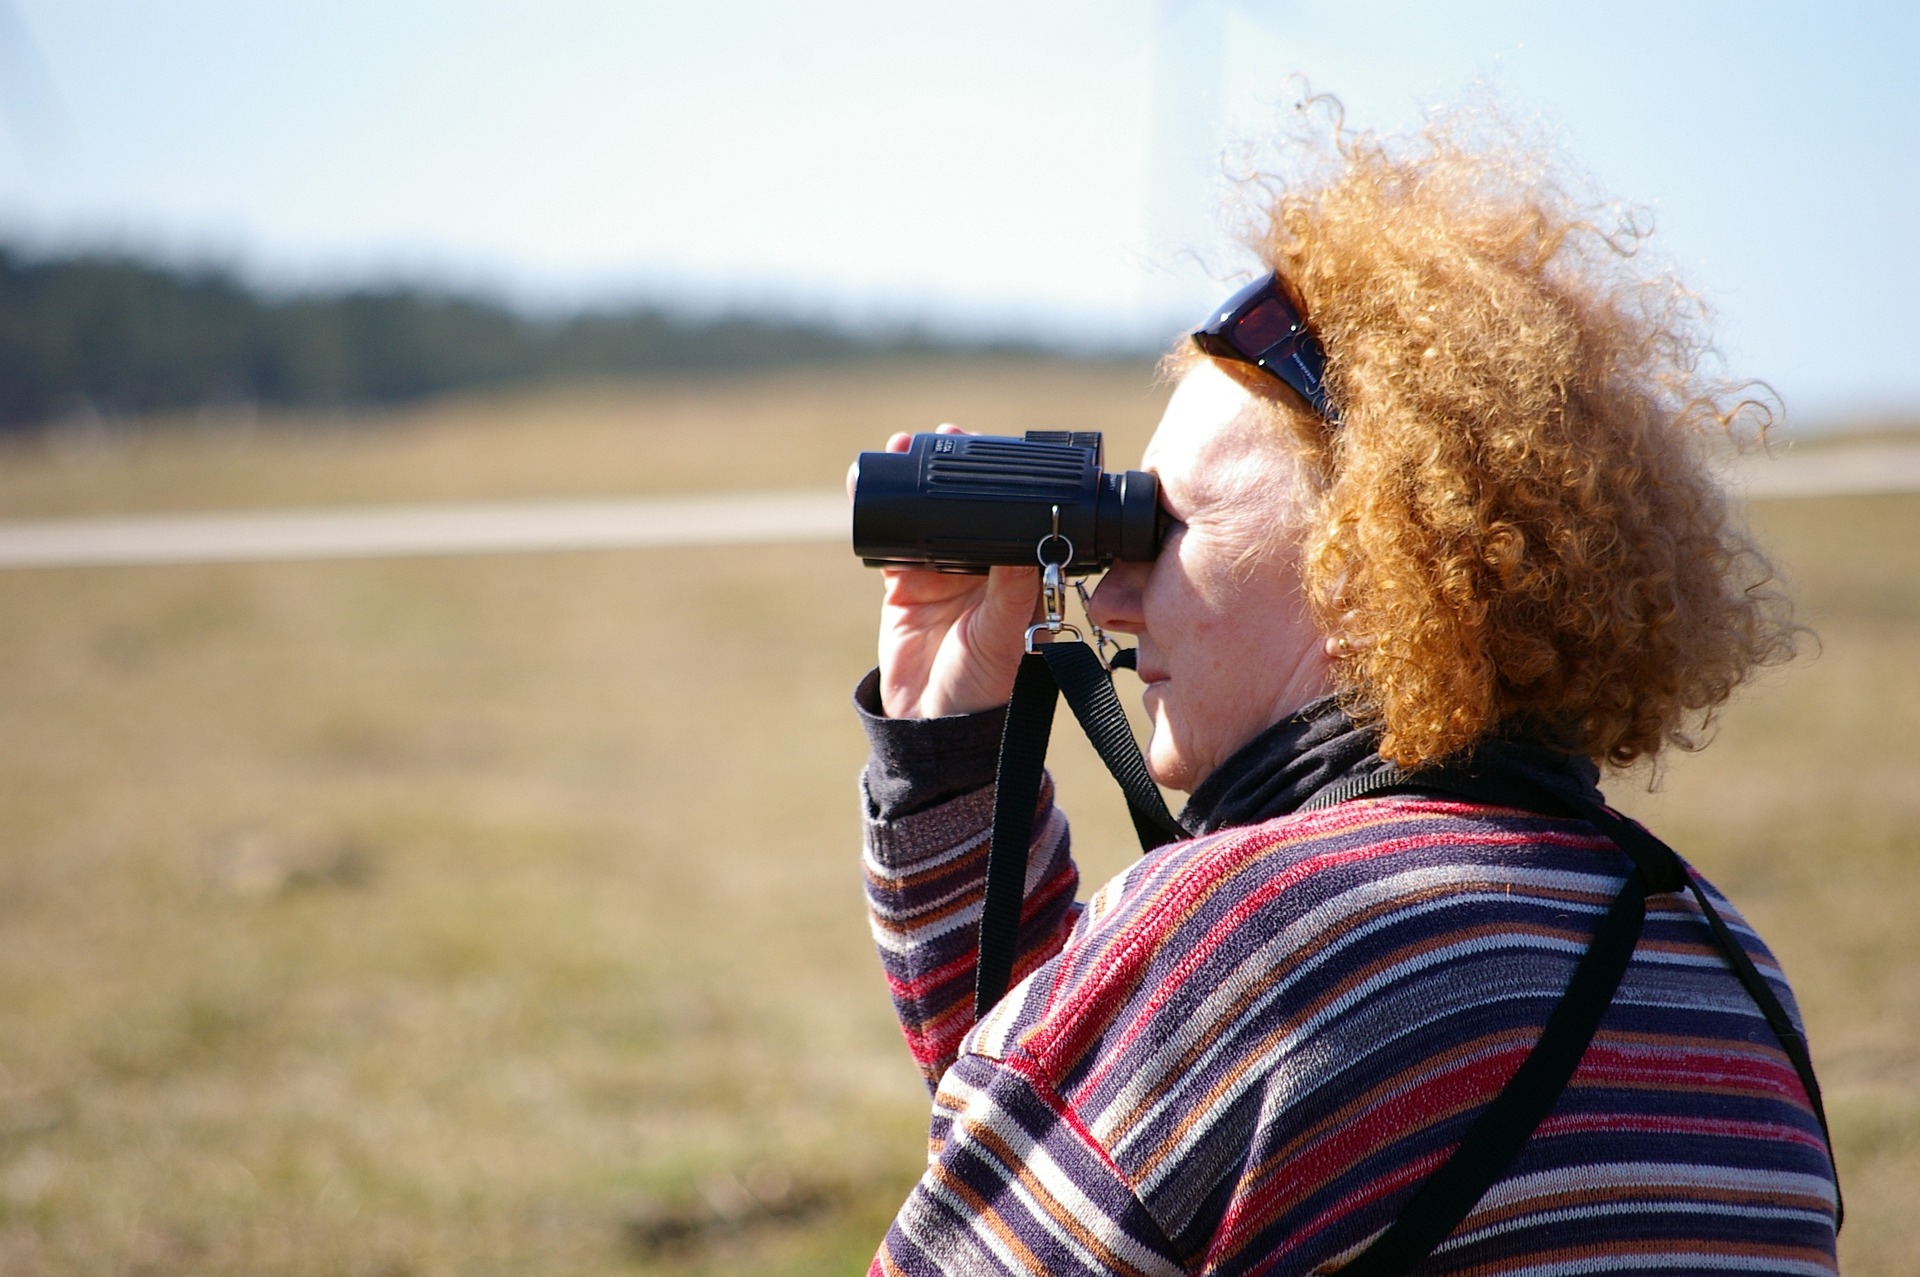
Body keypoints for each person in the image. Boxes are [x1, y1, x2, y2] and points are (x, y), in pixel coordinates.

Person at [852, 114, 1838, 1276]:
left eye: (1163, 528)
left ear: (1375, 567)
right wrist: (947, 751)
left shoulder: (1243, 948)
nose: (1114, 598)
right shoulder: (1728, 967)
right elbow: (1066, 1160)